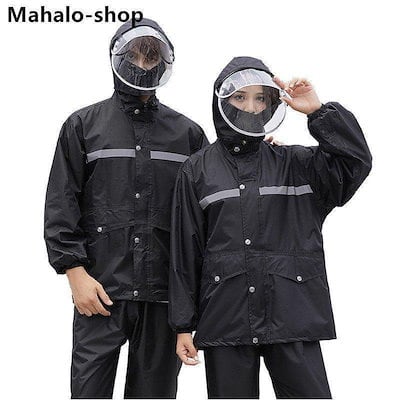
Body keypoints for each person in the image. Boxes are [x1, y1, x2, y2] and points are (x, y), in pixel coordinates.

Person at [168, 56, 372, 399]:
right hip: (225, 317)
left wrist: (317, 112)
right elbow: (186, 252)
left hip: (293, 313)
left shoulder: (298, 164)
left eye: (260, 98)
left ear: (271, 105)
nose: (251, 107)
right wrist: (182, 325)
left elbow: (355, 163)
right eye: (240, 97)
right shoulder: (196, 170)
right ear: (222, 101)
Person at [44, 18, 209, 399]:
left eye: (151, 58)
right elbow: (61, 203)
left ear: (164, 63)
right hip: (99, 290)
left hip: (163, 297)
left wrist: (262, 155)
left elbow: (207, 214)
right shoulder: (83, 126)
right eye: (134, 56)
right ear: (115, 58)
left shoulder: (188, 134)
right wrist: (75, 273)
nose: (142, 65)